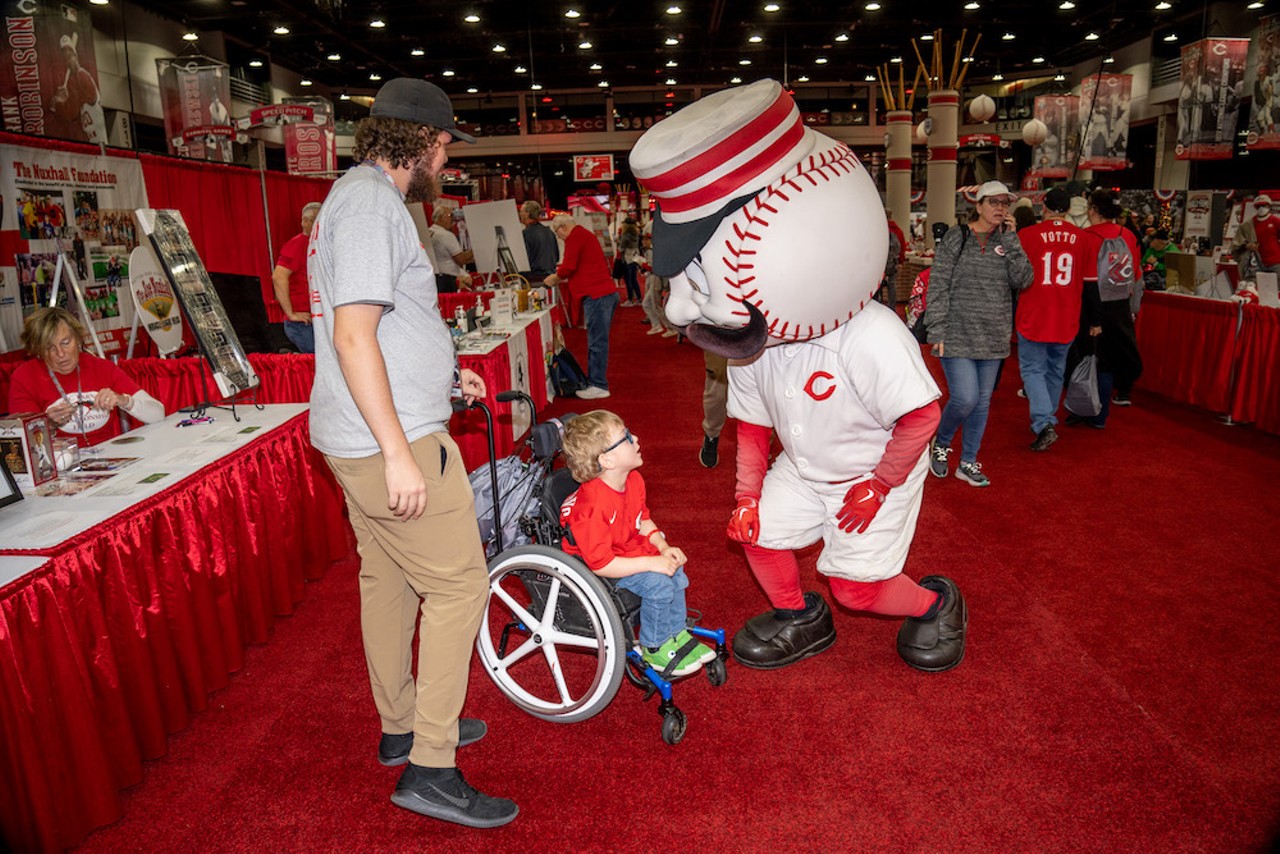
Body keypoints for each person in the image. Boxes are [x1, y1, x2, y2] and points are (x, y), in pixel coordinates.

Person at [630, 79, 966, 675]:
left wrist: (881, 485)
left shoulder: (869, 331)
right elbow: (754, 429)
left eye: (702, 282)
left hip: (871, 471)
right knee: (755, 533)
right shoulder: (754, 350)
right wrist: (746, 497)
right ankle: (797, 615)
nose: (682, 312)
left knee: (855, 588)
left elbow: (922, 417)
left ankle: (936, 602)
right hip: (807, 468)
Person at [306, 77, 517, 829]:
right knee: (460, 587)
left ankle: (404, 724)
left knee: (388, 580)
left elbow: (380, 330)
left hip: (370, 431)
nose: (448, 151)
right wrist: (400, 450)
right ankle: (431, 765)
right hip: (383, 441)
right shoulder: (370, 205)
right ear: (422, 140)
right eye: (446, 140)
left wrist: (438, 372)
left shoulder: (363, 199)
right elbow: (353, 334)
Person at [558, 410, 717, 675]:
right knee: (658, 583)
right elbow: (601, 564)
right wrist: (651, 562)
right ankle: (653, 648)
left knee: (675, 569)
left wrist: (664, 548)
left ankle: (676, 634)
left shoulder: (633, 480)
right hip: (602, 563)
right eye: (627, 437)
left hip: (626, 547)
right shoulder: (592, 508)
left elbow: (642, 519)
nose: (637, 439)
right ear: (607, 459)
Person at [923, 180, 1034, 487]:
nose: (1000, 208)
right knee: (965, 398)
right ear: (979, 205)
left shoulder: (1009, 240)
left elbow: (1024, 279)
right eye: (993, 202)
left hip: (994, 334)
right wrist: (937, 329)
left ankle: (968, 461)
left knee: (982, 402)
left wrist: (1012, 242)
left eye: (1004, 203)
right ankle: (942, 443)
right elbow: (938, 284)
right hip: (957, 332)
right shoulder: (957, 237)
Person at [8, 307, 165, 446]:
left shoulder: (101, 367)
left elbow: (158, 413)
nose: (61, 354)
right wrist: (48, 425)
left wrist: (123, 400)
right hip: (60, 466)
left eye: (65, 343)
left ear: (78, 339)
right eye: (49, 347)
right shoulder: (24, 378)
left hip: (109, 456)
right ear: (38, 351)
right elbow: (19, 444)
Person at [1014, 187, 1089, 451]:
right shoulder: (1082, 238)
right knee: (1055, 371)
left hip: (1034, 314)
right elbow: (1089, 283)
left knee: (1034, 370)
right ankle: (1047, 419)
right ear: (1069, 209)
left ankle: (1044, 422)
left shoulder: (1027, 235)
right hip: (1067, 315)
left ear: (1043, 207)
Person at [1067, 188, 1143, 421]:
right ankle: (1102, 415)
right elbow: (1136, 273)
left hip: (1092, 304)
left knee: (1086, 359)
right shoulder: (1128, 235)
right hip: (1119, 304)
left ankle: (1082, 409)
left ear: (1094, 210)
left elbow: (1081, 276)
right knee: (1110, 359)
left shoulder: (1086, 236)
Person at [544, 215, 617, 400]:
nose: (559, 238)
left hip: (597, 295)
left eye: (557, 234)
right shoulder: (583, 235)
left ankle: (598, 384)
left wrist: (554, 278)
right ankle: (596, 381)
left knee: (596, 341)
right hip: (601, 293)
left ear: (562, 228)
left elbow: (569, 266)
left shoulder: (575, 237)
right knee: (598, 340)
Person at [272, 201, 322, 354]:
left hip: (315, 319)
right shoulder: (296, 245)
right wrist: (291, 314)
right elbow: (278, 277)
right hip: (303, 323)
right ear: (305, 222)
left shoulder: (317, 244)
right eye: (316, 220)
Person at [51, 32, 106, 144]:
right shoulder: (76, 80)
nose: (69, 60)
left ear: (76, 57)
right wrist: (66, 98)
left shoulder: (82, 76)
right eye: (66, 58)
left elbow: (71, 112)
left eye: (71, 56)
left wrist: (58, 104)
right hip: (92, 139)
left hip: (100, 140)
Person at [1230, 194, 1280, 277]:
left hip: (1276, 262)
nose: (1261, 208)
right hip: (1255, 265)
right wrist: (1247, 245)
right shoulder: (1248, 225)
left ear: (1269, 206)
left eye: (1264, 205)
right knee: (1256, 288)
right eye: (1258, 206)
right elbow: (1236, 245)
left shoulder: (1276, 221)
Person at [428, 207, 474, 293]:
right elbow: (461, 260)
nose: (453, 219)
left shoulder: (429, 232)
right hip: (450, 281)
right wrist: (475, 249)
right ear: (441, 217)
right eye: (450, 215)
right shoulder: (446, 235)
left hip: (436, 279)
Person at [518, 200, 559, 284]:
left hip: (533, 280)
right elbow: (556, 257)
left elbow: (523, 261)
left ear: (527, 214)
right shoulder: (549, 232)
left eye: (521, 211)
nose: (519, 214)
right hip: (551, 278)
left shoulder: (525, 234)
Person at [699, 352, 728, 468]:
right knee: (717, 390)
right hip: (720, 337)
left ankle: (762, 441)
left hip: (761, 337)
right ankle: (711, 435)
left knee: (760, 388)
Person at [616, 218, 642, 306]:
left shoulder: (625, 235)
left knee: (628, 280)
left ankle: (630, 299)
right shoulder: (636, 234)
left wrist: (618, 242)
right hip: (635, 258)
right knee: (634, 280)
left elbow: (621, 249)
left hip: (627, 259)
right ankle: (639, 298)